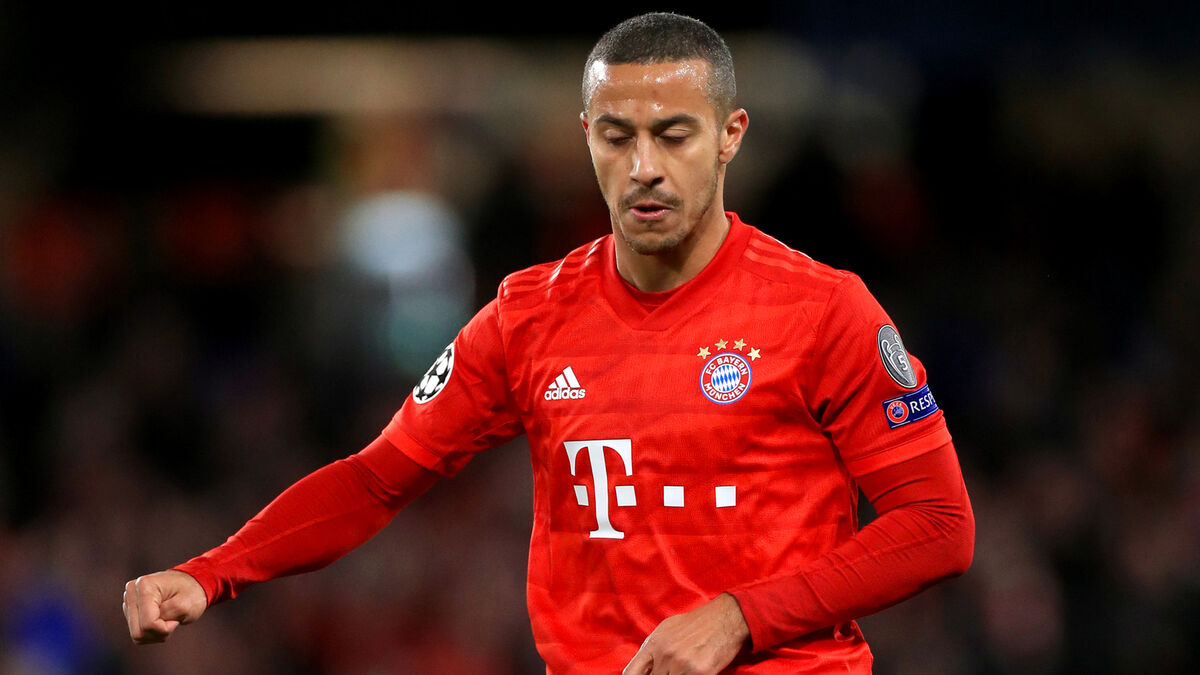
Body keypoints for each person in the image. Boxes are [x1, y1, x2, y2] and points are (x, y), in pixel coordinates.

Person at [123, 12, 974, 674]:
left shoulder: (824, 310)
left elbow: (939, 525)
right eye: (617, 136)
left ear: (730, 135)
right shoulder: (527, 315)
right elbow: (377, 478)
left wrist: (739, 617)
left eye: (674, 134)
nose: (643, 166)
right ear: (586, 136)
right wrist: (212, 571)